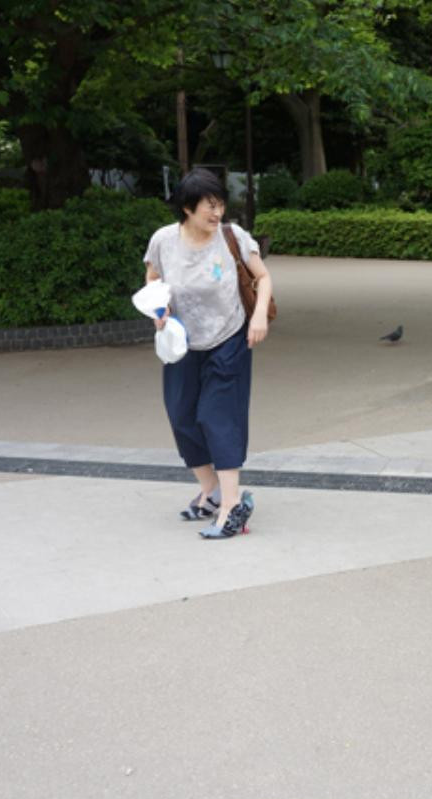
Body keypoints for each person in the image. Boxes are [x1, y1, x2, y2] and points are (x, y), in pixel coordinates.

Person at [143, 167, 274, 539]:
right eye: (209, 207)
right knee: (183, 416)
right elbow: (153, 280)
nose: (217, 214)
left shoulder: (232, 237)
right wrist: (159, 310)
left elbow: (262, 277)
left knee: (218, 416)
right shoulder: (164, 241)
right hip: (182, 343)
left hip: (229, 338)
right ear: (187, 208)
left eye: (220, 205)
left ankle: (233, 507)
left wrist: (259, 315)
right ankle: (212, 491)